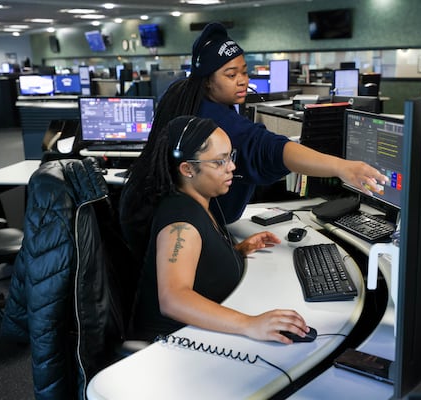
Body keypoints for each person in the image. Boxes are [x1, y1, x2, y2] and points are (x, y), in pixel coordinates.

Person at [130, 22, 388, 224]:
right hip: (188, 232)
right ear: (207, 81)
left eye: (244, 71)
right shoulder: (215, 123)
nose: (242, 80)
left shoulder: (181, 96)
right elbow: (270, 149)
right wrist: (341, 167)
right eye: (231, 74)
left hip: (156, 216)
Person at [122, 115, 310, 343]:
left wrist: (238, 250)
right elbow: (173, 299)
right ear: (188, 169)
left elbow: (200, 264)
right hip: (171, 347)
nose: (231, 167)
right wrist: (249, 324)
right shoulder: (181, 224)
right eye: (219, 162)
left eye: (230, 156)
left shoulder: (199, 203)